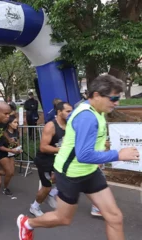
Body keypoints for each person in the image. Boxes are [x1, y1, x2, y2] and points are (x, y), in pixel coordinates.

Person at [17, 75, 140, 240]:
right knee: (63, 219)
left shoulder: (97, 110)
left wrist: (107, 146)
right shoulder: (86, 117)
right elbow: (83, 155)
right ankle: (27, 224)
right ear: (96, 95)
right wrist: (118, 154)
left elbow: (87, 142)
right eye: (114, 98)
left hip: (89, 171)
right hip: (71, 174)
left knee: (115, 217)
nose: (117, 102)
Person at [29, 102, 72, 217]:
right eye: (68, 111)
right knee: (46, 187)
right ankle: (34, 207)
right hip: (45, 161)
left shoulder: (69, 125)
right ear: (59, 112)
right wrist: (62, 149)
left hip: (58, 160)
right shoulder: (51, 126)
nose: (70, 113)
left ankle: (52, 192)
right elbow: (43, 147)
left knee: (69, 177)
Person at [0, 115, 22, 196]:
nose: (17, 124)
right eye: (15, 122)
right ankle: (5, 188)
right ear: (9, 123)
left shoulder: (16, 132)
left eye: (17, 122)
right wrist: (11, 150)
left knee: (10, 173)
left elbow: (17, 143)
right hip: (2, 153)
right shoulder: (4, 133)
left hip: (11, 153)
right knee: (9, 172)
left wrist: (19, 148)